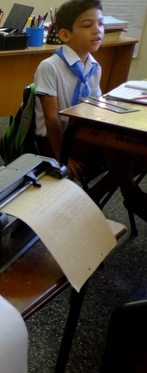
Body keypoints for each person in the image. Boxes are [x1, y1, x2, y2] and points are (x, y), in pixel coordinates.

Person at [34, 0, 147, 221]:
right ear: (65, 35)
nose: (98, 30)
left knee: (140, 150)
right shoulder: (50, 66)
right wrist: (61, 157)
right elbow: (50, 118)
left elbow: (95, 107)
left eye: (101, 24)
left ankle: (95, 194)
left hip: (83, 134)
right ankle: (130, 195)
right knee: (117, 147)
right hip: (57, 140)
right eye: (87, 25)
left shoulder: (94, 66)